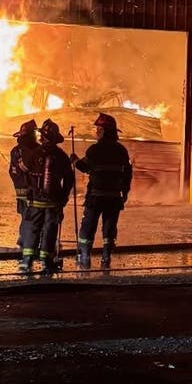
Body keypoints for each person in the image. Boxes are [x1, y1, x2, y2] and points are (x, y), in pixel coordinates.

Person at [71, 113, 133, 269]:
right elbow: (127, 174)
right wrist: (124, 193)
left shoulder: (95, 149)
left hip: (96, 197)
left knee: (88, 226)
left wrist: (74, 160)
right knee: (109, 227)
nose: (96, 132)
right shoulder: (121, 150)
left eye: (98, 129)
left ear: (105, 131)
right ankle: (106, 258)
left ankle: (85, 258)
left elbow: (84, 167)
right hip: (114, 198)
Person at [18, 119, 75, 275]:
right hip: (53, 202)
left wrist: (29, 190)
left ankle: (27, 260)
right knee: (50, 230)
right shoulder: (61, 156)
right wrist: (63, 197)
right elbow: (69, 179)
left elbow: (24, 171)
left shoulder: (34, 153)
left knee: (31, 229)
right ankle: (46, 261)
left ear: (44, 137)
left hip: (36, 201)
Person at [8, 119, 39, 217]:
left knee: (27, 223)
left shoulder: (15, 151)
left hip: (22, 195)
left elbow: (12, 173)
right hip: (37, 196)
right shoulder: (39, 150)